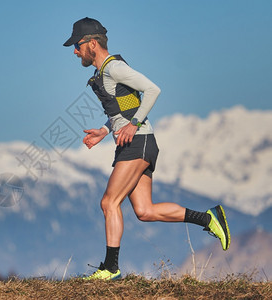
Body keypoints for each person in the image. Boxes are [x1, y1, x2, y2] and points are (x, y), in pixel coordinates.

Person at [63, 17, 230, 280]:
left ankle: (110, 268)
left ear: (92, 44)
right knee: (145, 211)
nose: (74, 51)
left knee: (109, 202)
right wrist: (104, 131)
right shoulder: (103, 73)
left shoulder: (114, 68)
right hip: (136, 142)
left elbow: (153, 89)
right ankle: (209, 219)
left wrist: (135, 124)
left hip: (138, 142)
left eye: (77, 45)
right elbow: (124, 109)